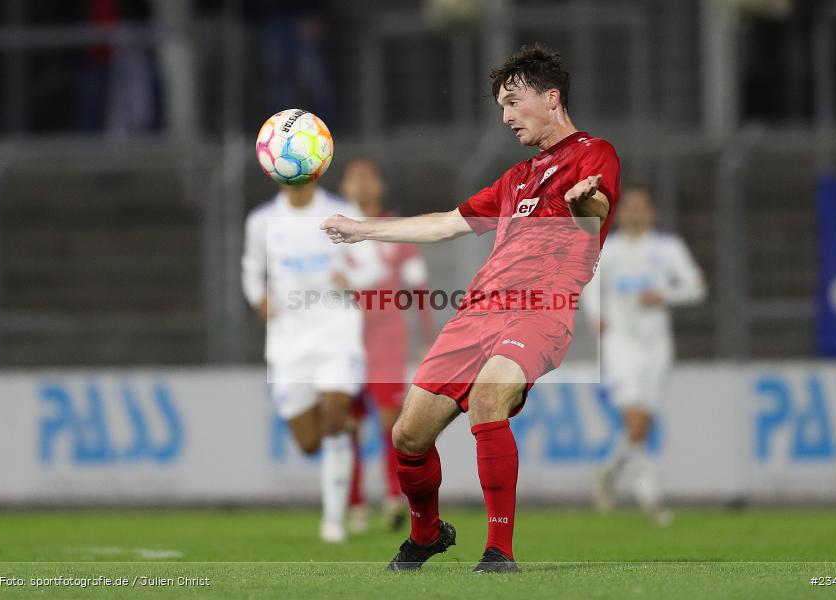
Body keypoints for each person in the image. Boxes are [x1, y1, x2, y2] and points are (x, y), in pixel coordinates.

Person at [320, 45, 621, 573]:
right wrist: (362, 229)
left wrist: (582, 203)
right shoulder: (517, 179)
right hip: (478, 312)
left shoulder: (595, 155)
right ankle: (428, 533)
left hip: (539, 309)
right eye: (500, 106)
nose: (505, 116)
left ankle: (499, 551)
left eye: (513, 101)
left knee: (488, 401)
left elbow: (594, 216)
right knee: (407, 435)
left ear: (551, 99)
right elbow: (446, 222)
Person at [242, 181, 384, 543]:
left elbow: (373, 266)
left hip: (337, 333)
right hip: (288, 343)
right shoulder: (262, 221)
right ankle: (345, 429)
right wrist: (259, 297)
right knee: (307, 443)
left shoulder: (338, 211)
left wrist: (351, 279)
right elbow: (250, 269)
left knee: (335, 416)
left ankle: (333, 521)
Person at [583, 185, 706, 524]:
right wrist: (596, 316)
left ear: (652, 213)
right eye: (630, 207)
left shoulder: (667, 248)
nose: (635, 212)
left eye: (642, 206)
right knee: (635, 419)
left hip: (656, 345)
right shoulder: (608, 248)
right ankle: (650, 494)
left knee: (643, 424)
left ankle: (608, 470)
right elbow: (589, 282)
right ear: (620, 214)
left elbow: (696, 288)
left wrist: (664, 294)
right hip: (620, 343)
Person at [339, 159, 436, 534]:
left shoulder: (396, 229)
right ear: (345, 188)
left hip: (386, 335)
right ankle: (355, 504)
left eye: (369, 178)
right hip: (344, 335)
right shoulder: (333, 229)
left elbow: (418, 286)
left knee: (387, 419)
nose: (362, 185)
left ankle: (393, 498)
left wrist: (427, 336)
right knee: (346, 423)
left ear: (379, 186)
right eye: (354, 178)